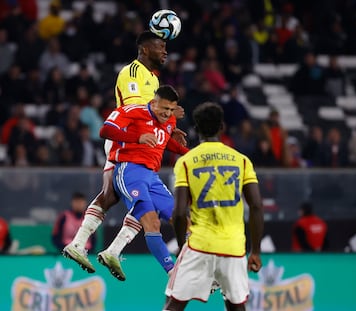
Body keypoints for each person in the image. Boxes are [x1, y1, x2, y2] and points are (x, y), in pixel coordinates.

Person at [62, 31, 184, 273]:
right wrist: (160, 130)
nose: (165, 51)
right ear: (145, 49)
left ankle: (104, 249)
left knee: (122, 197)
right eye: (160, 46)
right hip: (128, 139)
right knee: (116, 194)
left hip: (141, 140)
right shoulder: (133, 72)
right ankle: (82, 245)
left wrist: (168, 130)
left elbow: (155, 115)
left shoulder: (154, 79)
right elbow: (135, 113)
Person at [164, 102, 264, 311]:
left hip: (200, 244)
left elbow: (180, 212)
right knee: (236, 306)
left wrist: (183, 245)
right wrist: (255, 251)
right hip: (233, 246)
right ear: (222, 127)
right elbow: (256, 206)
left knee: (174, 304)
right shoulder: (242, 161)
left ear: (196, 129)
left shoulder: (186, 161)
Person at [97, 85, 188, 281]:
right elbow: (105, 130)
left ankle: (195, 270)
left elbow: (163, 141)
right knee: (152, 222)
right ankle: (174, 275)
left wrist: (188, 153)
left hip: (152, 178)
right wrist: (137, 137)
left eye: (172, 110)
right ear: (153, 103)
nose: (168, 113)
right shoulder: (133, 111)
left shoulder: (169, 121)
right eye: (164, 108)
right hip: (129, 171)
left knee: (183, 222)